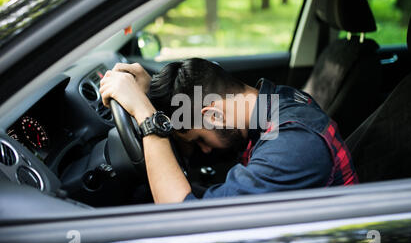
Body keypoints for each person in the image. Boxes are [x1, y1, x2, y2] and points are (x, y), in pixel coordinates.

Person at [99, 58, 358, 204]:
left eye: (200, 139)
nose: (206, 150)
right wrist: (153, 93)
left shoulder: (294, 144)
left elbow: (184, 225)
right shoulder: (276, 102)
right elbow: (190, 96)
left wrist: (146, 117)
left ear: (214, 115)